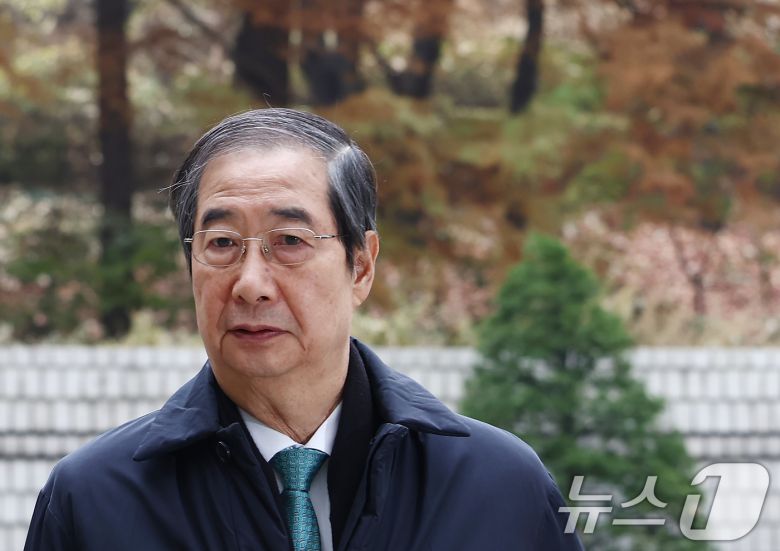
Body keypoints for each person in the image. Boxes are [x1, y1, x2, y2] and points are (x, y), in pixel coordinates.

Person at [25, 109, 583, 551]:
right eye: (222, 244)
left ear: (361, 266)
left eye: (289, 241)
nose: (250, 284)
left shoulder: (499, 487)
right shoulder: (94, 501)